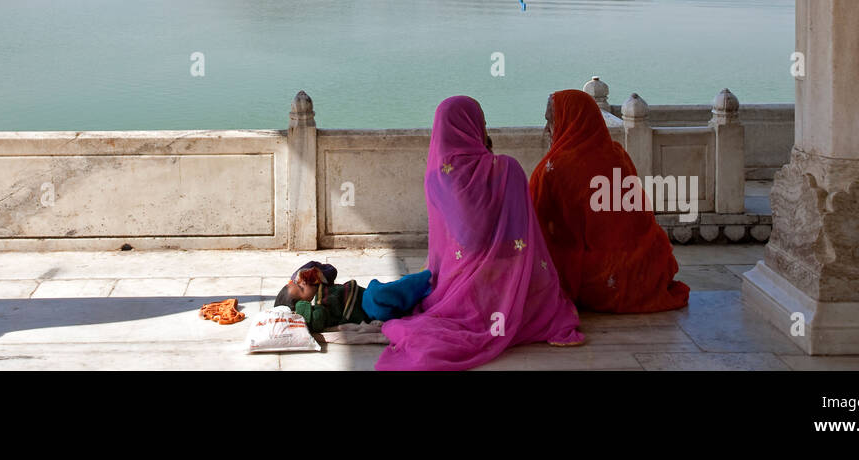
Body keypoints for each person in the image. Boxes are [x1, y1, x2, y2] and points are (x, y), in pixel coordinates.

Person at [375, 95, 585, 370]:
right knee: (548, 300)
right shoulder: (507, 169)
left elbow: (456, 243)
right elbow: (523, 238)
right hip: (511, 278)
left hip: (457, 284)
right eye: (482, 123)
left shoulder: (436, 176)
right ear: (473, 128)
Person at [529, 89, 690, 313]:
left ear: (568, 120)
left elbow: (537, 226)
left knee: (544, 262)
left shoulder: (555, 167)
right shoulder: (617, 154)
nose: (547, 129)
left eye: (550, 121)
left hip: (599, 276)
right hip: (647, 268)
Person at [274, 261, 433, 332]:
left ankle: (422, 286)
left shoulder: (322, 284)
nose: (302, 282)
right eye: (301, 287)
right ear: (304, 305)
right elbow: (316, 319)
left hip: (365, 296)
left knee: (384, 291)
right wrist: (302, 313)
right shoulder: (317, 313)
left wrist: (307, 273)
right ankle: (427, 279)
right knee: (378, 294)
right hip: (368, 309)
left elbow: (330, 269)